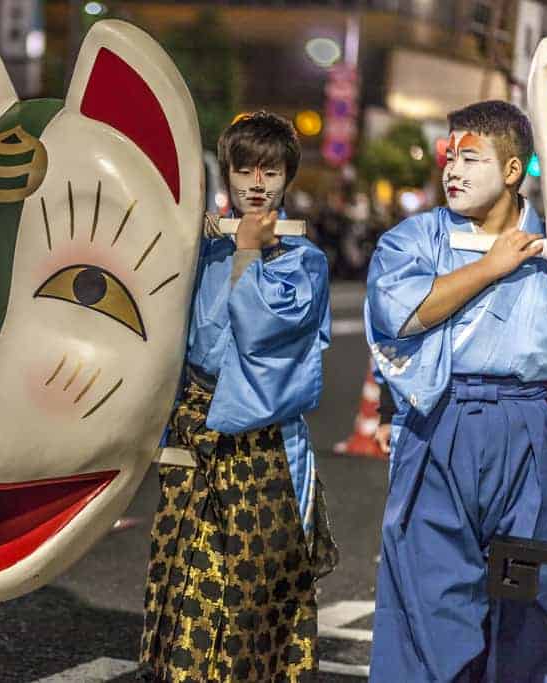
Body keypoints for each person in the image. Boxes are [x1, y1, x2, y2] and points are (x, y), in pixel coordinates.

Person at [365, 100, 547, 682]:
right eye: (449, 157)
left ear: (512, 170)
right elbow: (398, 312)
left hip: (528, 427)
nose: (452, 170)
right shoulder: (414, 238)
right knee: (428, 598)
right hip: (441, 420)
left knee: (526, 603)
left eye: (470, 158)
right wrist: (491, 266)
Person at [139, 112, 337, 682]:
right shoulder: (202, 250)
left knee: (256, 581)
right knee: (186, 564)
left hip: (263, 439)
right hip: (194, 422)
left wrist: (248, 253)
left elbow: (261, 333)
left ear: (288, 178)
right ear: (226, 173)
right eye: (243, 169)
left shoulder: (304, 261)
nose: (256, 183)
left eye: (270, 172)